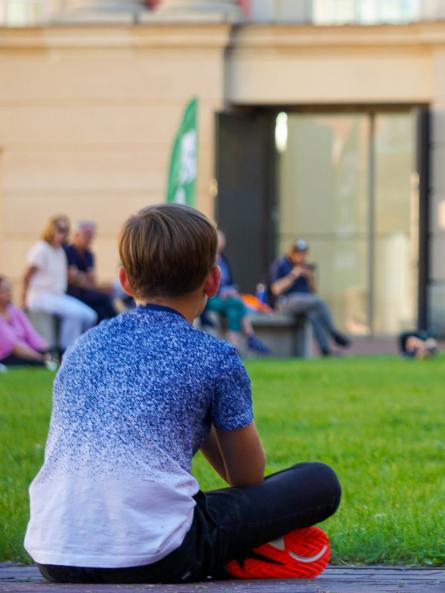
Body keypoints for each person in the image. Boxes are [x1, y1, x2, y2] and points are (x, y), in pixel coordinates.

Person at [24, 204, 341, 584]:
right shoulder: (214, 356)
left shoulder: (81, 347)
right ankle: (235, 552)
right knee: (320, 482)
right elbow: (246, 476)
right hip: (157, 554)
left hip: (55, 554)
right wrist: (205, 412)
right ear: (213, 280)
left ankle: (232, 551)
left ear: (125, 281)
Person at [22, 215, 96, 352]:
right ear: (51, 229)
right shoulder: (41, 248)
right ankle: (66, 351)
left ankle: (83, 350)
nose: (63, 234)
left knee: (90, 315)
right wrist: (24, 300)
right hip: (40, 296)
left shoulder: (60, 251)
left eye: (66, 230)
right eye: (60, 229)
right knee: (75, 314)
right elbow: (27, 275)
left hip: (57, 296)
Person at [270, 240, 350, 357]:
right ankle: (333, 333)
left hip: (303, 304)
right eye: (298, 253)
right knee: (319, 301)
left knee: (313, 314)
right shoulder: (282, 264)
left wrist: (310, 278)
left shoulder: (305, 267)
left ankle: (325, 350)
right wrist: (293, 275)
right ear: (292, 253)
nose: (301, 256)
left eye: (304, 253)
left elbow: (312, 293)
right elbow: (276, 289)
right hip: (286, 302)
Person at [205, 230, 271, 355]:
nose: (221, 242)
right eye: (218, 239)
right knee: (238, 303)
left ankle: (233, 349)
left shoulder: (224, 259)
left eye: (222, 239)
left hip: (227, 300)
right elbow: (207, 282)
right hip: (212, 298)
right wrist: (221, 292)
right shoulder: (207, 259)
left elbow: (229, 281)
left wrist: (231, 291)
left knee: (234, 310)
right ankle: (250, 337)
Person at [64, 220, 118, 323]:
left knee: (101, 310)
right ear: (76, 235)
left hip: (85, 293)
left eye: (91, 236)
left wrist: (81, 278)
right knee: (105, 299)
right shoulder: (68, 251)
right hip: (72, 293)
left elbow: (90, 280)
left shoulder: (89, 254)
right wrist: (84, 280)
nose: (90, 239)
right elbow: (71, 278)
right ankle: (120, 326)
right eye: (86, 235)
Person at [0, 275, 49, 368]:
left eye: (10, 289)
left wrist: (46, 350)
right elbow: (14, 346)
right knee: (38, 364)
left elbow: (31, 334)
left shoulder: (15, 311)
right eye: (5, 290)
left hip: (28, 352)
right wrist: (40, 357)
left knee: (58, 351)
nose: (9, 293)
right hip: (8, 356)